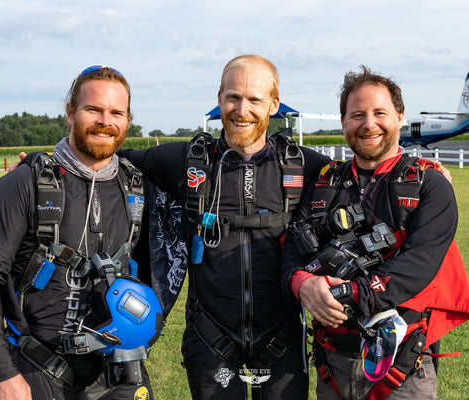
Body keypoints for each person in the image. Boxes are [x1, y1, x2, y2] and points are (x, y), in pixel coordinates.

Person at [119, 54, 331, 399]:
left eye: (254, 100)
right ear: (219, 98)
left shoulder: (301, 165)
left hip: (281, 340)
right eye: (233, 97)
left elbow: (364, 179)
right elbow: (108, 156)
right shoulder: (187, 161)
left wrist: (426, 176)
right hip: (211, 338)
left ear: (273, 105)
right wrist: (41, 165)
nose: (242, 109)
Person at [0, 65, 173, 400]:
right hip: (39, 366)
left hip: (119, 367)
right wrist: (2, 373)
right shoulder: (23, 184)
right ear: (70, 111)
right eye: (94, 109)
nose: (106, 120)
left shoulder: (138, 188)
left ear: (128, 119)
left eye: (116, 112)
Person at [281, 66, 469, 399]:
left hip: (403, 369)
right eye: (357, 115)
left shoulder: (429, 185)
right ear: (343, 123)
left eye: (380, 113)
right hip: (332, 367)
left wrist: (344, 294)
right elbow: (291, 253)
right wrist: (302, 284)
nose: (368, 124)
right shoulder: (324, 184)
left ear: (400, 117)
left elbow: (418, 266)